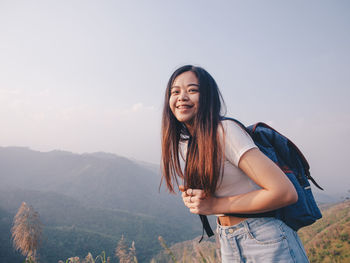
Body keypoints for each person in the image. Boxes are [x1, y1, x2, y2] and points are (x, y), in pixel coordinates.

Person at [161, 65, 310, 262]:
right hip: (228, 239)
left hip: (265, 239)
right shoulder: (190, 143)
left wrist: (214, 205)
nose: (182, 97)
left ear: (208, 97)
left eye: (192, 90)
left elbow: (284, 192)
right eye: (175, 92)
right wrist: (200, 200)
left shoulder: (224, 131)